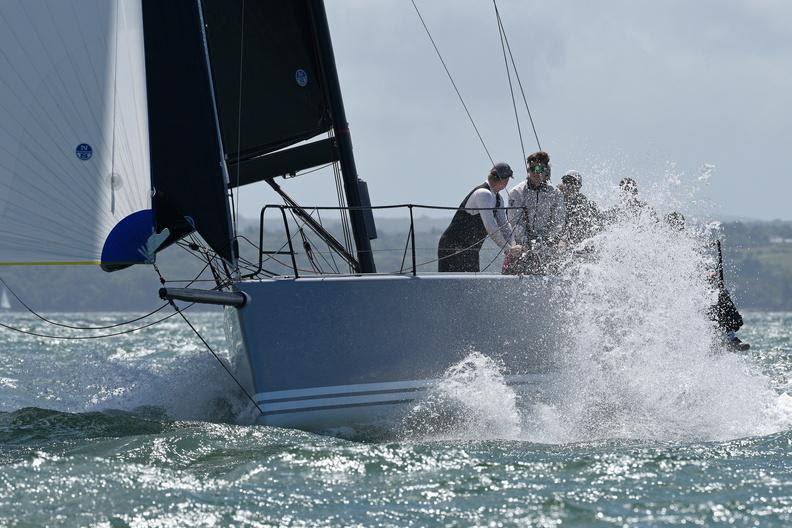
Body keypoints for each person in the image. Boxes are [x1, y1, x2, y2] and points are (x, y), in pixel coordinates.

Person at [437, 162, 522, 272]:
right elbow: (491, 227)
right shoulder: (483, 194)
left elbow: (504, 226)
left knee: (470, 285)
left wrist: (514, 246)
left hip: (471, 249)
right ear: (505, 181)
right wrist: (508, 249)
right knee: (454, 284)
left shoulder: (498, 198)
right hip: (453, 247)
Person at [504, 151, 566, 274]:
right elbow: (515, 222)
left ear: (546, 171)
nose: (536, 172)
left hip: (547, 247)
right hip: (521, 247)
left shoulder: (556, 194)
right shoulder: (516, 192)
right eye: (532, 169)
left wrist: (546, 240)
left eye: (540, 169)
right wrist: (527, 243)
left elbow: (559, 221)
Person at [557, 169, 601, 245]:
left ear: (579, 186)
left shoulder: (584, 204)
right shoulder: (556, 199)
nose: (568, 184)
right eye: (565, 181)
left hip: (578, 243)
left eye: (572, 182)